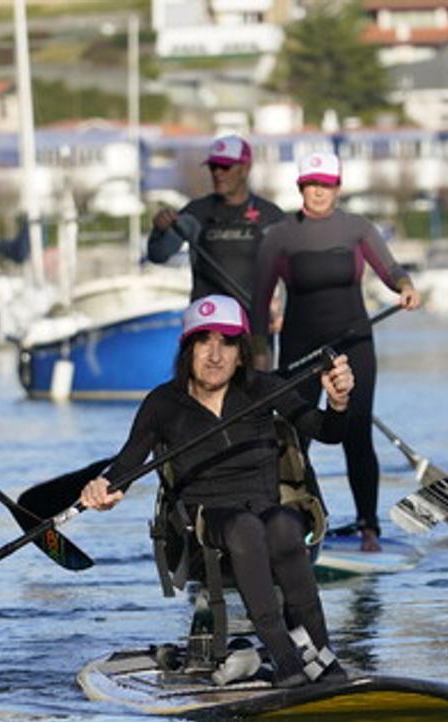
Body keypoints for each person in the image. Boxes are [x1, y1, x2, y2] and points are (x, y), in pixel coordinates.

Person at [79, 295, 355, 687]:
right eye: (203, 341)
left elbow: (329, 432)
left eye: (226, 342)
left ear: (241, 353)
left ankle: (321, 656)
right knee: (245, 526)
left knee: (282, 524)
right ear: (187, 350)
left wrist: (339, 400)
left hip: (264, 512)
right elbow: (125, 466)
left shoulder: (262, 388)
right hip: (203, 529)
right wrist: (102, 488)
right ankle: (285, 658)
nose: (215, 354)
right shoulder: (163, 403)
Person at [252, 152, 421, 552]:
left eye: (325, 185)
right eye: (311, 184)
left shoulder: (357, 229)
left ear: (337, 188)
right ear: (301, 188)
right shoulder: (279, 236)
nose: (318, 192)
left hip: (353, 344)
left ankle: (368, 527)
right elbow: (259, 299)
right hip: (300, 349)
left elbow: (390, 269)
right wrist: (259, 352)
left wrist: (406, 287)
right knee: (296, 438)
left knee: (356, 435)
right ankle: (295, 523)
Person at [147, 135, 285, 302]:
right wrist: (159, 230)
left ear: (245, 168)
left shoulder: (271, 216)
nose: (218, 173)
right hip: (207, 318)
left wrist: (280, 311)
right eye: (213, 167)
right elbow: (158, 255)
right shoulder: (195, 213)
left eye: (225, 167)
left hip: (251, 320)